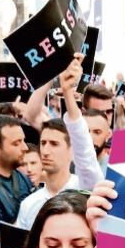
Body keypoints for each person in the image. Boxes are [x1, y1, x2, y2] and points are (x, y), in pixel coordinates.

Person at [15, 55, 103, 230]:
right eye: (43, 143)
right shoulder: (28, 205)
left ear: (72, 151)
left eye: (54, 144)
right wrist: (50, 72)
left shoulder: (85, 188)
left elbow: (84, 150)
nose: (46, 151)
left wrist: (68, 92)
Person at [85, 108, 113, 173]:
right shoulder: (68, 166)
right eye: (85, 131)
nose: (90, 138)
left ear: (107, 135)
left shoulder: (115, 171)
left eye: (97, 132)